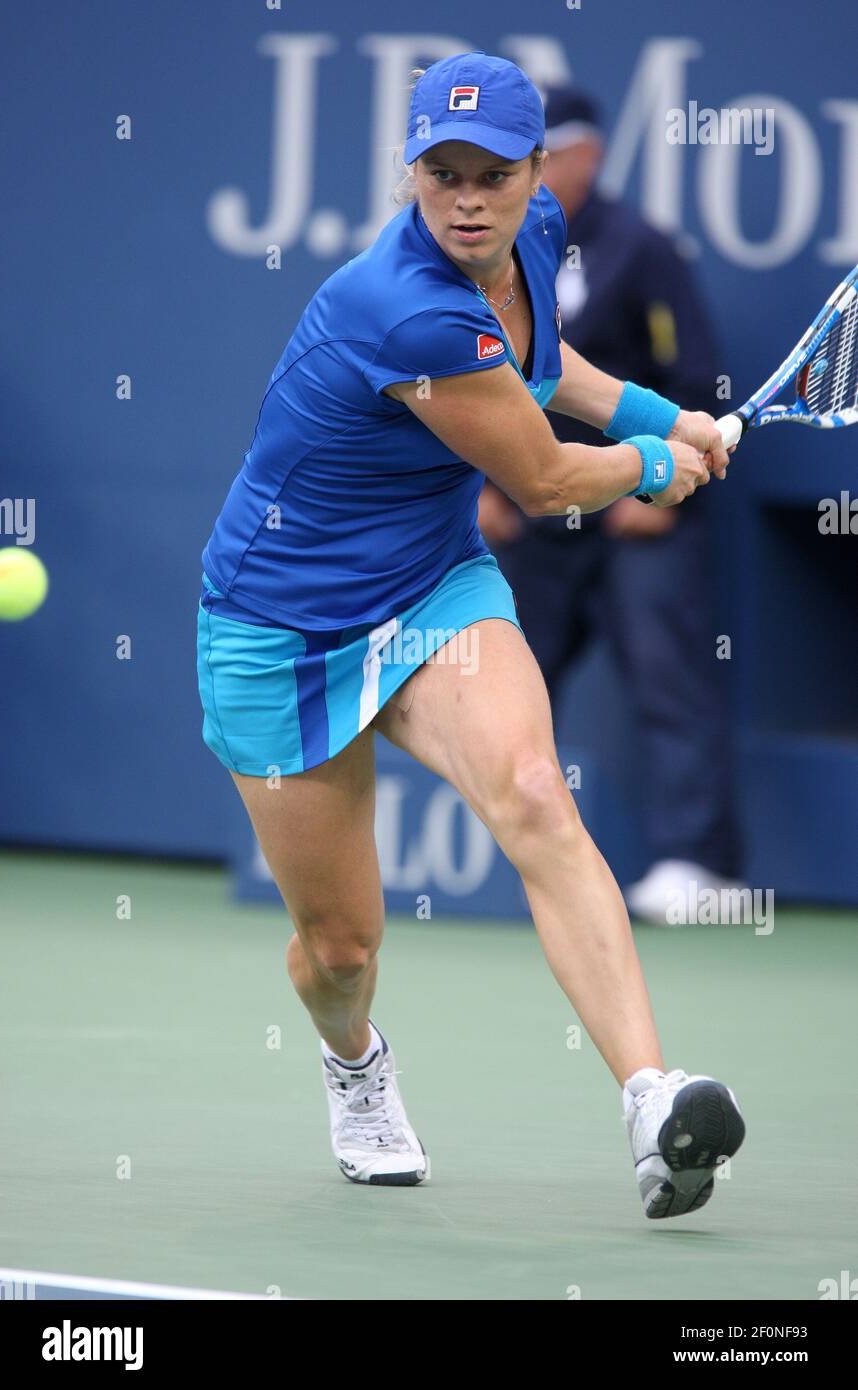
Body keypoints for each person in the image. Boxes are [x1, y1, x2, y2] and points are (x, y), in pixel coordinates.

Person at [197, 51, 745, 1219]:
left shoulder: (535, 232)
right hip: (276, 628)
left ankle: (650, 1095)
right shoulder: (396, 304)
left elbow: (549, 370)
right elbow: (545, 478)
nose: (464, 198)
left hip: (431, 587)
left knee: (535, 791)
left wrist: (659, 415)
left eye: (491, 173)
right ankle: (354, 1066)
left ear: (534, 173)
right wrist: (657, 465)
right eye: (438, 173)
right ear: (409, 173)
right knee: (340, 949)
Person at [479, 87, 745, 922]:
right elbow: (476, 378)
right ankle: (496, 857)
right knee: (503, 680)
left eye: (553, 152)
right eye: (532, 155)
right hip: (535, 504)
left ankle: (699, 866)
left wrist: (662, 488)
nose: (542, 169)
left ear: (591, 155)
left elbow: (694, 373)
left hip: (641, 510)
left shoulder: (643, 248)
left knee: (670, 680)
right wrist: (486, 482)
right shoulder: (504, 250)